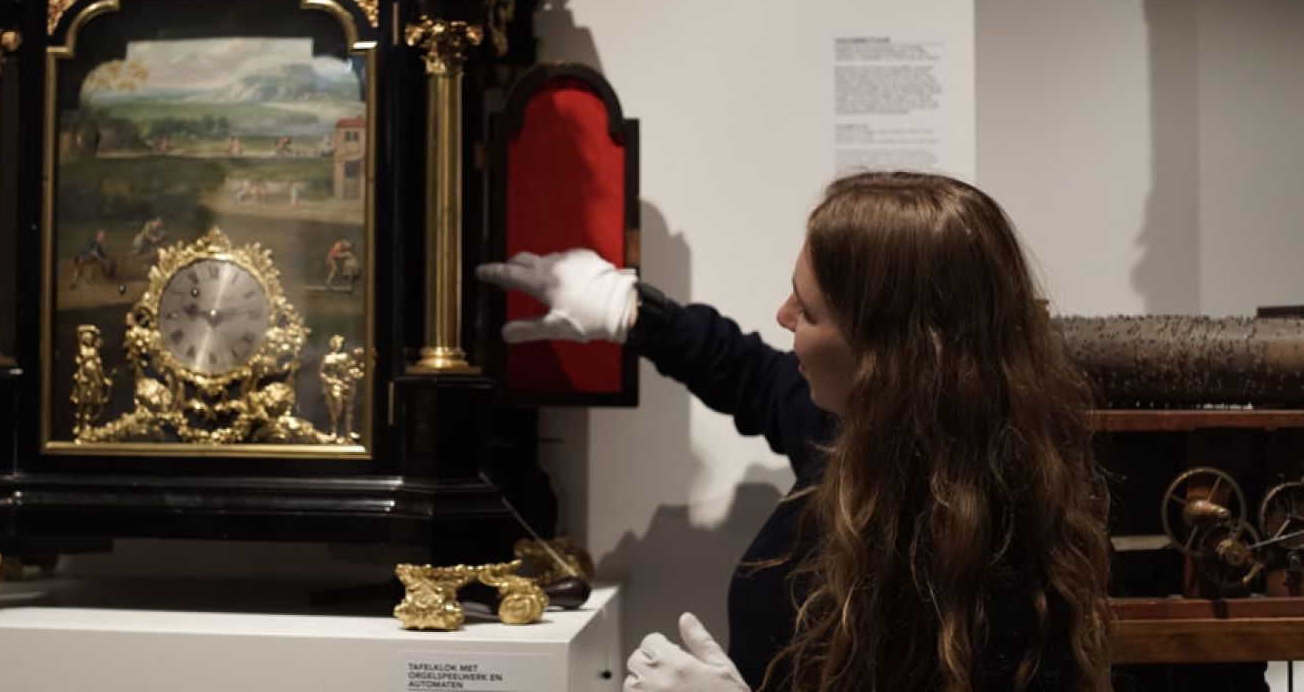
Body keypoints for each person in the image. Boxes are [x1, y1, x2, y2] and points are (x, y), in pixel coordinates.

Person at [476, 171, 1112, 692]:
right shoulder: (861, 430)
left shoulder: (995, 554)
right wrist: (634, 310)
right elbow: (752, 376)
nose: (783, 316)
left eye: (807, 311)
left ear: (889, 352)